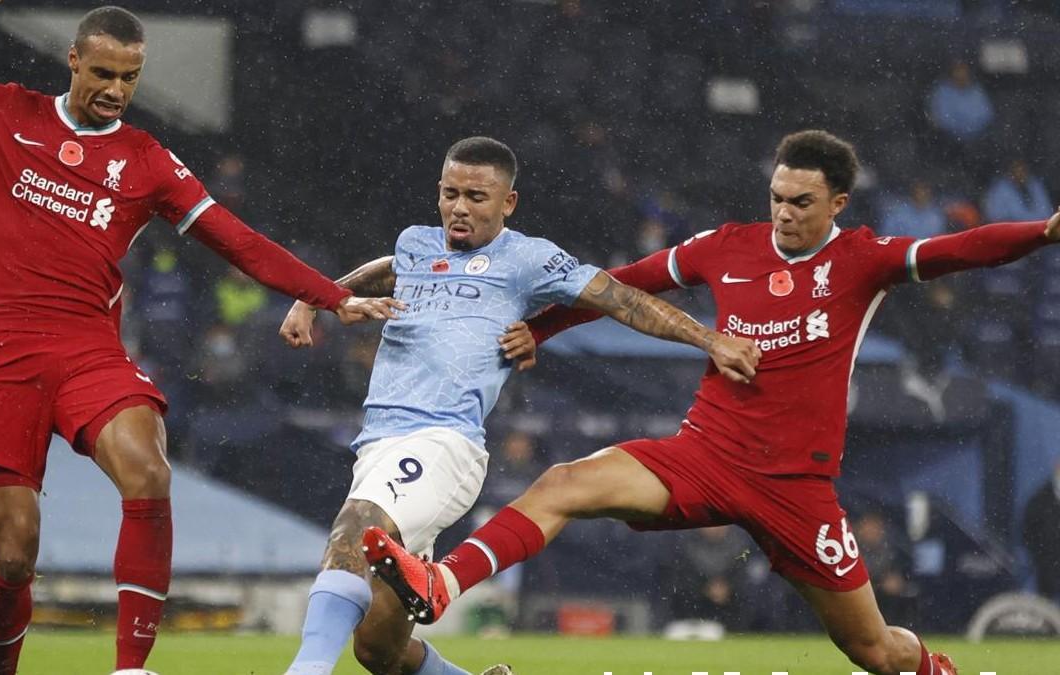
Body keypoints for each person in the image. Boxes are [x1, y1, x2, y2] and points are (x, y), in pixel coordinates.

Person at [367, 130, 1060, 675]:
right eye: (778, 197)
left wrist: (1044, 232)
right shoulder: (727, 247)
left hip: (796, 485)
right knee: (564, 483)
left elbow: (962, 248)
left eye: (802, 203)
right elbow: (618, 283)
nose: (784, 214)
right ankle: (442, 583)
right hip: (704, 454)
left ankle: (933, 669)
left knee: (874, 650)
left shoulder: (862, 259)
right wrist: (536, 328)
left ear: (838, 205)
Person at [0, 3, 398, 673]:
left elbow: (236, 238)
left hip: (88, 349)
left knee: (148, 470)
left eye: (132, 77)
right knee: (14, 552)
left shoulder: (146, 160)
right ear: (74, 61)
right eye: (105, 73)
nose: (116, 90)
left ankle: (130, 668)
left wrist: (331, 294)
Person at [277, 136, 760, 675]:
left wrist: (710, 340)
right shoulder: (418, 242)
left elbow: (621, 298)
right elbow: (392, 265)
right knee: (378, 648)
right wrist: (318, 298)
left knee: (355, 526)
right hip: (378, 447)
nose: (459, 208)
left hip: (442, 442)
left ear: (507, 203)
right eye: (450, 193)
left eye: (477, 197)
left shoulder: (528, 258)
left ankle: (306, 670)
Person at [1022, 459, 1060, 602]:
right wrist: (1039, 555)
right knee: (1045, 605)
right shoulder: (1039, 499)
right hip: (1047, 567)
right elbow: (1027, 531)